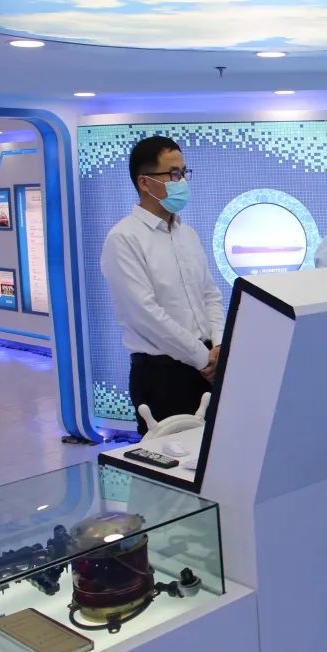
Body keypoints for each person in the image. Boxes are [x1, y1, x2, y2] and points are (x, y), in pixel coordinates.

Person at [101, 136, 224, 436]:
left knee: (214, 454)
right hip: (162, 374)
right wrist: (201, 358)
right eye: (173, 174)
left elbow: (210, 295)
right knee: (169, 459)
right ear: (145, 183)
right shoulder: (124, 239)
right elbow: (144, 314)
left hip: (209, 366)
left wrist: (219, 346)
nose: (182, 182)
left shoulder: (187, 234)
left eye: (183, 172)